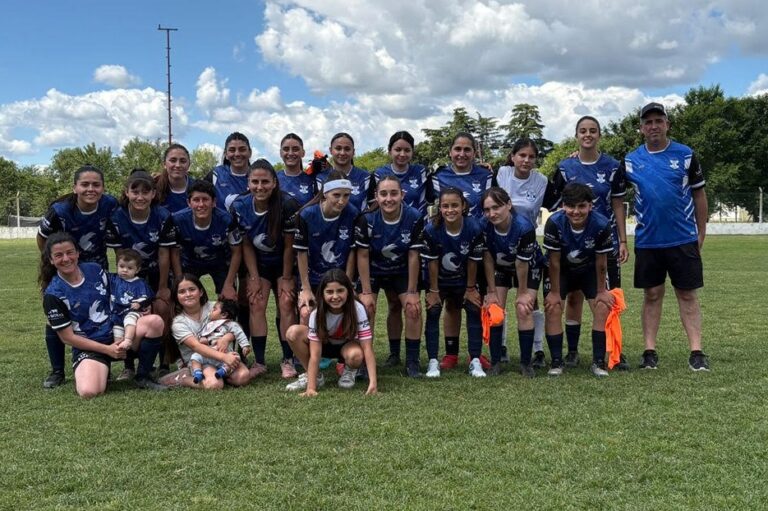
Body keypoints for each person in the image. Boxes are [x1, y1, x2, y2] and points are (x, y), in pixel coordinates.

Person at [612, 102, 709, 371]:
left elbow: (699, 195)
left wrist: (701, 232)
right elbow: (617, 200)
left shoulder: (686, 155)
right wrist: (622, 238)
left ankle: (697, 351)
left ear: (667, 124)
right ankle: (649, 351)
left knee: (687, 294)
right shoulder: (630, 161)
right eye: (648, 122)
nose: (654, 126)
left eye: (659, 120)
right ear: (642, 128)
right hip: (648, 241)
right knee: (652, 294)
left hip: (682, 239)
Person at [40, 233, 166, 397]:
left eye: (70, 252)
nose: (66, 258)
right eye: (58, 255)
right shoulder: (53, 294)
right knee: (89, 391)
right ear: (50, 260)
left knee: (154, 322)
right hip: (92, 346)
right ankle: (100, 368)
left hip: (118, 335)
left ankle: (143, 376)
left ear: (78, 253)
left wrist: (139, 305)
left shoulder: (94, 269)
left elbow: (120, 289)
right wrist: (107, 350)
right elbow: (67, 338)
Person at [551, 117, 630, 370]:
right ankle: (572, 352)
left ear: (599, 135)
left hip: (604, 242)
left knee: (607, 298)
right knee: (573, 297)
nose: (588, 135)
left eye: (592, 131)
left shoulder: (613, 166)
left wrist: (623, 239)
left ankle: (613, 352)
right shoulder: (565, 167)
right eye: (583, 131)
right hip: (572, 243)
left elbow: (618, 203)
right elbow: (556, 204)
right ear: (576, 135)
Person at [37, 164, 118, 388]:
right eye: (85, 184)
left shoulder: (109, 204)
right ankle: (57, 371)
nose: (90, 189)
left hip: (95, 266)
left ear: (102, 188)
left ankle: (101, 360)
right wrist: (52, 262)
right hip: (63, 263)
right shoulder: (60, 210)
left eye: (96, 184)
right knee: (56, 313)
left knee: (98, 314)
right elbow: (42, 238)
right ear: (75, 187)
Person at [231, 159, 300, 379]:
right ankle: (259, 361)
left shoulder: (288, 204)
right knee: (256, 301)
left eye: (265, 182)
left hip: (284, 263)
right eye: (255, 182)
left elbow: (290, 246)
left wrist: (288, 277)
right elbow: (246, 244)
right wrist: (252, 276)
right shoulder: (240, 206)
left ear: (274, 183)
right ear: (248, 183)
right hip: (258, 263)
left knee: (286, 301)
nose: (259, 187)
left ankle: (288, 359)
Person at [106, 169, 176, 379]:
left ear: (153, 194)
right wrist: (124, 280)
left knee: (163, 309)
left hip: (157, 271)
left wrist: (163, 285)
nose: (140, 196)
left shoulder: (162, 216)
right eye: (135, 191)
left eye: (146, 192)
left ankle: (163, 362)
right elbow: (120, 255)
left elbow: (165, 252)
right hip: (129, 273)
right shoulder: (117, 217)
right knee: (126, 310)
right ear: (126, 192)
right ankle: (129, 365)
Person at [543, 183, 615, 377]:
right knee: (553, 307)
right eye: (571, 206)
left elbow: (601, 261)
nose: (576, 211)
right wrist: (555, 292)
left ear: (590, 206)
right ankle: (557, 361)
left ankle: (598, 361)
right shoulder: (555, 223)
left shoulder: (601, 224)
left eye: (581, 206)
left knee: (602, 306)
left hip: (589, 270)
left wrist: (601, 291)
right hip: (562, 271)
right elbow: (554, 262)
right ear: (563, 206)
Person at [356, 176, 424, 376]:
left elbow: (413, 255)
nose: (388, 199)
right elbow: (362, 254)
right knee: (366, 308)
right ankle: (363, 363)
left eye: (393, 193)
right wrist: (366, 291)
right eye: (383, 194)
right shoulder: (367, 218)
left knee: (412, 308)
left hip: (401, 269)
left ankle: (411, 361)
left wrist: (412, 291)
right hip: (374, 269)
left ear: (402, 195)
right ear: (376, 196)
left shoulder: (413, 216)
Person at [496, 138, 555, 367]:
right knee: (498, 302)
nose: (526, 160)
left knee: (531, 300)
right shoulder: (502, 174)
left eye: (531, 156)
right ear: (513, 156)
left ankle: (538, 350)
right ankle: (500, 348)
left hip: (528, 245)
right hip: (501, 245)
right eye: (522, 155)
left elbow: (559, 200)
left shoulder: (541, 180)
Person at [421, 188, 486, 378]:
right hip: (438, 280)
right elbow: (431, 261)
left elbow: (474, 260)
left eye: (455, 205)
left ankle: (475, 360)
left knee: (474, 307)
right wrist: (433, 290)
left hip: (464, 279)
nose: (450, 210)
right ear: (439, 208)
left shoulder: (473, 228)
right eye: (445, 206)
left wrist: (471, 288)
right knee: (433, 310)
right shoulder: (432, 229)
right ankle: (433, 361)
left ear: (463, 206)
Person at [284, 269, 377, 395]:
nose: (335, 296)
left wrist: (373, 384)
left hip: (347, 346)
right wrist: (311, 388)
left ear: (348, 292)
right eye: (329, 292)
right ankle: (315, 377)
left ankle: (349, 371)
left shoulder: (357, 309)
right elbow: (315, 354)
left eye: (340, 291)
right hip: (324, 344)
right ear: (322, 294)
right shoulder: (317, 314)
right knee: (292, 332)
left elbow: (367, 348)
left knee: (356, 355)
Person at [480, 187, 540, 377]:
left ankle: (525, 363)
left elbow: (522, 263)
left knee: (524, 309)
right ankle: (496, 362)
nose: (492, 213)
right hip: (500, 267)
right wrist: (491, 290)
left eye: (496, 207)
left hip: (529, 266)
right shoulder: (483, 225)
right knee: (495, 309)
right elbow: (487, 258)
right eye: (487, 209)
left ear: (509, 205)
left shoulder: (524, 227)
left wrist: (523, 293)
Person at [293, 171, 360, 324]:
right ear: (325, 193)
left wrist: (348, 284)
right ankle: (308, 348)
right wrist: (306, 288)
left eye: (346, 195)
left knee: (349, 314)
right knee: (306, 313)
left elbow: (351, 251)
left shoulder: (353, 214)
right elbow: (301, 253)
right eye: (336, 195)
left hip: (339, 278)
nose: (342, 201)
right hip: (313, 278)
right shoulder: (306, 215)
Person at [170, 274, 251, 389]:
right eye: (182, 292)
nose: (188, 294)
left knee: (243, 377)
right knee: (214, 384)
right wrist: (224, 358)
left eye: (192, 289)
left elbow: (235, 326)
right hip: (200, 360)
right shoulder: (178, 323)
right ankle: (184, 379)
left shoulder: (214, 308)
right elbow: (196, 346)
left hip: (223, 354)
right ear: (176, 297)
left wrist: (226, 338)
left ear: (201, 292)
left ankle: (220, 374)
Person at [170, 180, 242, 300]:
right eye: (196, 200)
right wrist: (179, 282)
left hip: (220, 262)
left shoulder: (227, 220)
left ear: (213, 202)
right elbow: (175, 253)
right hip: (189, 263)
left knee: (228, 300)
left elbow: (237, 252)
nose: (201, 204)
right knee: (185, 299)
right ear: (189, 202)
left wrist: (229, 284)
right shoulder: (177, 220)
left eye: (205, 199)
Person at [109, 249, 165, 361]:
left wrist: (140, 304)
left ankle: (129, 340)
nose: (124, 270)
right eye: (121, 266)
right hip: (117, 315)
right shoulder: (113, 279)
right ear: (116, 266)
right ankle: (123, 352)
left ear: (137, 270)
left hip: (133, 312)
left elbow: (149, 298)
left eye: (129, 268)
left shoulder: (139, 283)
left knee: (129, 319)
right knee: (117, 332)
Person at [428, 132, 496, 219]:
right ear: (450, 152)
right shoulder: (437, 176)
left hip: (479, 231)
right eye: (458, 149)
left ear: (474, 153)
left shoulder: (487, 176)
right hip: (447, 231)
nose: (462, 154)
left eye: (467, 149)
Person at [189, 299, 251, 383]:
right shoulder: (208, 324)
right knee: (195, 357)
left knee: (235, 357)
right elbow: (201, 335)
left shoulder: (230, 324)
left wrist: (245, 345)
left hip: (225, 353)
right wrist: (202, 340)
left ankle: (223, 371)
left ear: (224, 314)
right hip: (210, 353)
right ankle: (198, 373)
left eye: (214, 309)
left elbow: (239, 333)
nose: (211, 311)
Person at [370, 131, 429, 217]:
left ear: (412, 152)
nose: (402, 154)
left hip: (417, 226)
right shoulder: (378, 174)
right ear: (389, 151)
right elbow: (372, 205)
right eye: (398, 150)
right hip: (388, 227)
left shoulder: (422, 172)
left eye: (407, 150)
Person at [315, 132, 370, 212]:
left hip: (358, 223)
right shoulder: (321, 178)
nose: (342, 153)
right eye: (338, 148)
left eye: (347, 149)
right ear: (331, 150)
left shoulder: (365, 177)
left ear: (353, 152)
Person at [204, 132, 252, 211]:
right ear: (226, 154)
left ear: (250, 152)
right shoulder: (215, 175)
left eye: (242, 149)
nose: (237, 154)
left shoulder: (259, 176)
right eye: (232, 150)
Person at [276, 133, 317, 206]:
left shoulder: (312, 180)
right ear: (280, 153)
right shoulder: (273, 179)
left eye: (295, 149)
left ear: (303, 153)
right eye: (286, 149)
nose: (290, 153)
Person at [155, 143, 195, 213]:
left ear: (189, 165)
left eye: (183, 161)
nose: (178, 165)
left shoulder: (198, 188)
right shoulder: (154, 188)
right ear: (164, 164)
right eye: (173, 160)